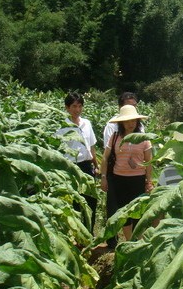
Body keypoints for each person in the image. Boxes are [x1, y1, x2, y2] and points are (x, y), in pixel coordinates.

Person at [100, 105, 153, 248]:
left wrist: (149, 181)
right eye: (127, 121)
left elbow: (149, 162)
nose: (131, 124)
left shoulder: (144, 139)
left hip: (138, 179)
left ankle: (139, 242)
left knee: (138, 212)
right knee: (124, 212)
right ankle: (130, 241)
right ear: (121, 122)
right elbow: (105, 158)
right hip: (119, 179)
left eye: (133, 121)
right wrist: (103, 176)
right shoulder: (115, 137)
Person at [56, 92, 99, 233]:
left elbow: (91, 146)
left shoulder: (87, 123)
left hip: (87, 166)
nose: (77, 109)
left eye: (80, 106)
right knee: (75, 201)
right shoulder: (61, 126)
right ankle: (77, 234)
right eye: (74, 106)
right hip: (71, 167)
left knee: (91, 200)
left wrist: (97, 165)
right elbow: (57, 149)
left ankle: (89, 232)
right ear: (67, 107)